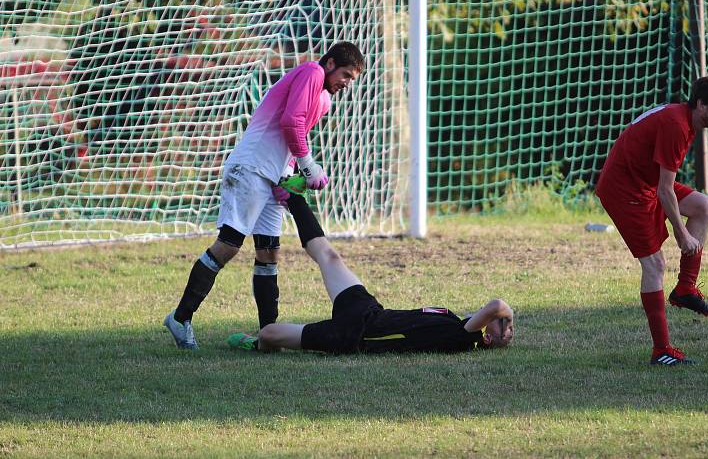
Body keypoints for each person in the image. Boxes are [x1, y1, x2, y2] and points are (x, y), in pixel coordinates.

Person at [164, 42, 365, 349]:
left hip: (271, 175)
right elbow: (290, 121)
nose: (347, 84)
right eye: (346, 75)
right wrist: (309, 165)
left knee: (268, 253)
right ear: (330, 63)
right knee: (229, 245)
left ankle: (269, 335)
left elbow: (292, 133)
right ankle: (181, 317)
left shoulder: (323, 98)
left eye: (352, 79)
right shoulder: (312, 71)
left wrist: (293, 173)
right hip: (251, 168)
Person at [227, 192, 514, 354]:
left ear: (487, 337)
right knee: (330, 256)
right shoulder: (456, 322)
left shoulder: (461, 338)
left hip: (354, 335)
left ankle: (257, 345)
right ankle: (291, 195)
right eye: (507, 326)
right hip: (370, 311)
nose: (506, 326)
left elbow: (497, 305)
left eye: (505, 328)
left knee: (269, 333)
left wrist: (507, 315)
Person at [595, 76, 708, 366]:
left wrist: (683, 230)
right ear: (701, 104)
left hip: (644, 183)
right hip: (624, 189)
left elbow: (662, 186)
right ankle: (661, 351)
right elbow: (665, 190)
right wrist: (682, 235)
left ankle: (685, 289)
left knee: (704, 206)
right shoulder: (676, 125)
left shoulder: (686, 122)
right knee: (655, 265)